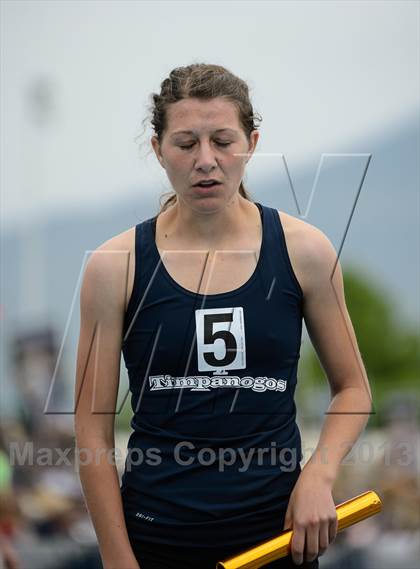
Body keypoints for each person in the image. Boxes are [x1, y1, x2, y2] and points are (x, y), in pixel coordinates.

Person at [74, 63, 373, 569]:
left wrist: (319, 477)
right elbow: (91, 430)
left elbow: (354, 389)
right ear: (158, 150)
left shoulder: (305, 251)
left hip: (277, 541)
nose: (206, 160)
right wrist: (116, 557)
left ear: (252, 143)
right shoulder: (114, 266)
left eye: (223, 140)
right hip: (157, 542)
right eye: (186, 143)